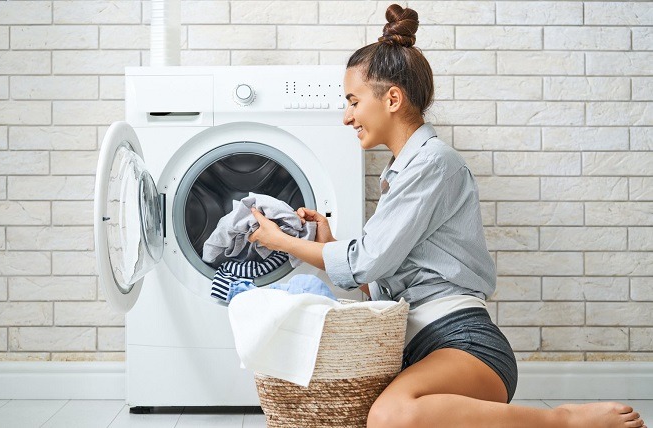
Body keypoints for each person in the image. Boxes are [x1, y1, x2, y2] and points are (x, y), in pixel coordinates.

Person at [248, 4, 645, 428]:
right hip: (422, 346)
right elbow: (377, 279)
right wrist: (326, 244)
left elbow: (365, 261)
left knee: (389, 417)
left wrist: (283, 241)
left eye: (353, 101)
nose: (347, 116)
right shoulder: (402, 173)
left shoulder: (433, 164)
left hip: (463, 342)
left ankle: (561, 420)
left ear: (393, 99)